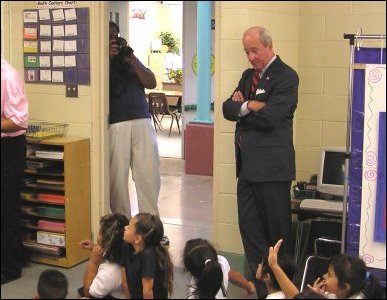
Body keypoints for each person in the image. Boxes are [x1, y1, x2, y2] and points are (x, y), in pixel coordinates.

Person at [222, 26, 299, 278]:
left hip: (272, 170)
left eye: (254, 50)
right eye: (247, 52)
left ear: (269, 45)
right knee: (250, 230)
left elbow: (270, 119)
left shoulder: (286, 76)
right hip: (246, 169)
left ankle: (282, 287)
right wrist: (250, 105)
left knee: (277, 236)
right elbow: (226, 109)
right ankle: (260, 286)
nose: (251, 57)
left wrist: (241, 109)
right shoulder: (247, 76)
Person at [108, 21, 161, 220]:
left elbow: (151, 81)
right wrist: (106, 58)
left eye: (115, 35)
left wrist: (132, 60)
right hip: (116, 124)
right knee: (117, 180)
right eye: (109, 35)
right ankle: (122, 225)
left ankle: (150, 224)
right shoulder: (100, 61)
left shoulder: (128, 59)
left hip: (142, 120)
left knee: (148, 175)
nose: (113, 39)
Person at [268, 239, 385, 299]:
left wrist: (275, 266)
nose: (324, 276)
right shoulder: (336, 294)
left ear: (344, 287)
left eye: (329, 275)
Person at [1, 56, 29, 285]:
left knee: (6, 206)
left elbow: (19, 121)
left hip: (8, 148)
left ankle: (10, 268)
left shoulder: (7, 76)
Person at [121, 213, 174, 299]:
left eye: (129, 227)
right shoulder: (126, 247)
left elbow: (148, 291)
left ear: (137, 239)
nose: (125, 227)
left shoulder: (148, 256)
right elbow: (124, 282)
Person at [183, 238, 256, 299]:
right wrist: (249, 286)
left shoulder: (194, 295)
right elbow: (236, 278)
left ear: (189, 270)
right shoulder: (222, 261)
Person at [78, 213, 129, 299]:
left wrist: (93, 262)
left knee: (82, 296)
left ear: (107, 242)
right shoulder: (124, 251)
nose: (98, 236)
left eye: (99, 233)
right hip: (116, 290)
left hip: (113, 295)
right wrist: (94, 247)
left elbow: (88, 293)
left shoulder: (110, 271)